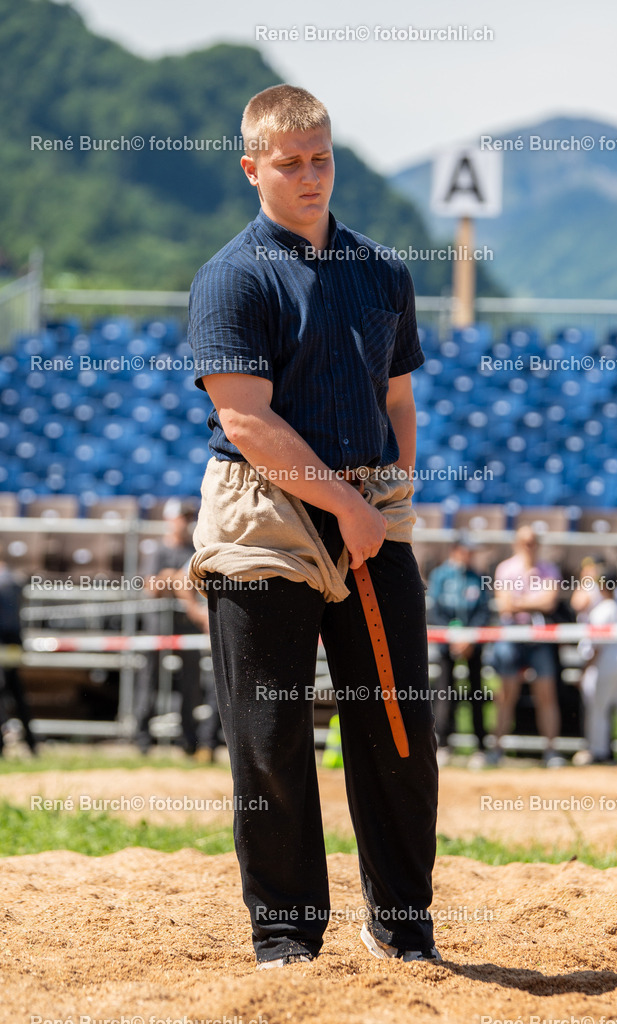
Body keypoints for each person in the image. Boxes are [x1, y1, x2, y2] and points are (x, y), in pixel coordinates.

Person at [186, 85, 439, 969]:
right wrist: (352, 508)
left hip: (371, 513)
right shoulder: (232, 276)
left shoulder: (381, 269)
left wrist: (392, 487)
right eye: (288, 162)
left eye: (320, 157)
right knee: (270, 735)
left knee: (399, 725)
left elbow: (398, 396)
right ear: (252, 166)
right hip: (265, 518)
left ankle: (402, 924)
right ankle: (286, 933)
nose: (308, 175)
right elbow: (246, 421)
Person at [135, 499, 219, 759]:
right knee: (149, 680)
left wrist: (173, 579)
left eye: (188, 517)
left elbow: (193, 584)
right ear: (170, 520)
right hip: (157, 626)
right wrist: (173, 579)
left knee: (191, 684)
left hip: (187, 628)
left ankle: (189, 741)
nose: (186, 522)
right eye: (181, 517)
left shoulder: (193, 551)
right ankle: (142, 740)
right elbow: (151, 588)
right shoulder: (157, 551)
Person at [488, 525, 565, 767]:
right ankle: (496, 749)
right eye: (525, 541)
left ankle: (551, 751)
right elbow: (504, 605)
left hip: (539, 638)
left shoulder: (549, 569)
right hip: (512, 636)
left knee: (546, 695)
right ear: (516, 543)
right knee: (505, 695)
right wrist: (533, 602)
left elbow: (549, 602)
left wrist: (519, 602)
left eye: (533, 541)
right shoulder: (505, 568)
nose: (528, 545)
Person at [426, 541, 490, 767]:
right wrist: (452, 635)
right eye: (465, 550)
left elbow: (484, 610)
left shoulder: (477, 577)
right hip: (446, 643)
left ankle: (481, 747)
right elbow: (434, 609)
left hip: (472, 643)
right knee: (444, 693)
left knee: (476, 693)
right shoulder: (440, 576)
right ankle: (443, 744)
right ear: (455, 550)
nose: (468, 555)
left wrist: (469, 637)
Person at [572, 569, 617, 765]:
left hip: (604, 665)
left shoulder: (603, 610)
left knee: (599, 708)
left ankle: (598, 751)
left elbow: (596, 647)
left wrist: (585, 670)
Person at [0, 559, 37, 757]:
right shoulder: (14, 581)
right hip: (12, 646)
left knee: (8, 693)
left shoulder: (7, 582)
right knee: (15, 693)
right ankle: (31, 743)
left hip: (4, 645)